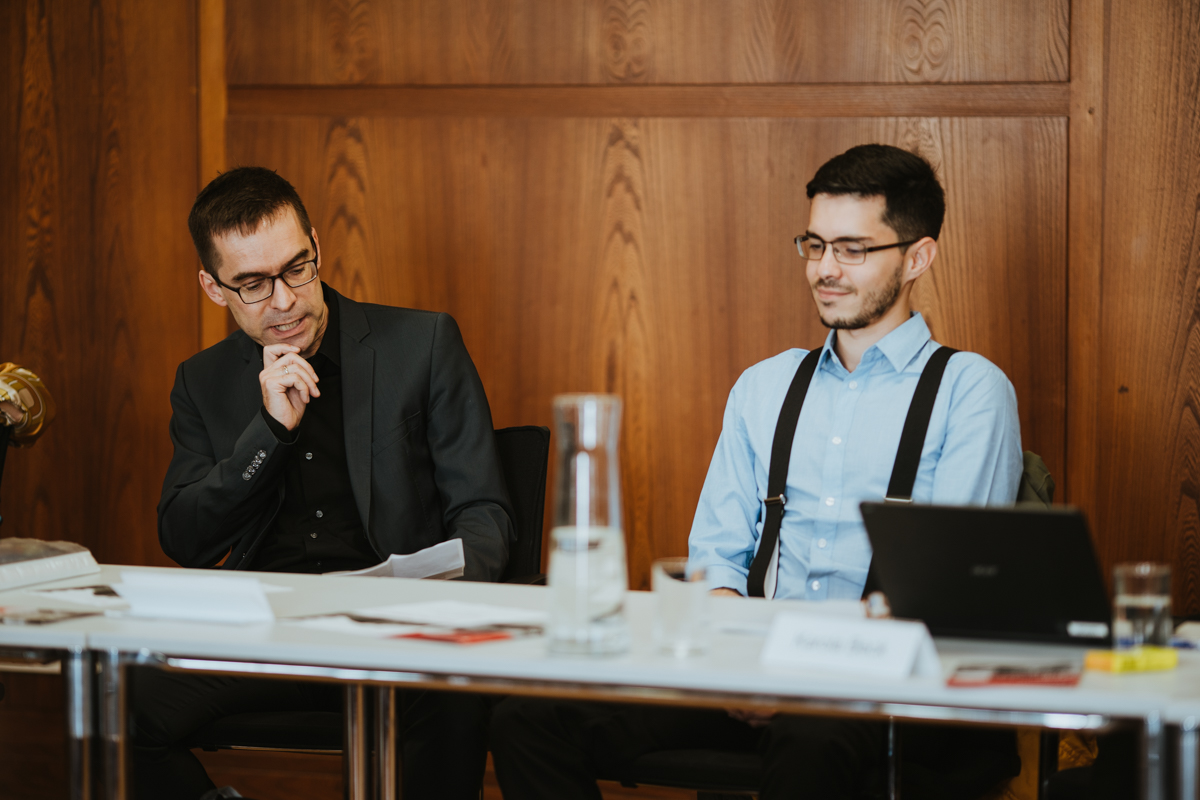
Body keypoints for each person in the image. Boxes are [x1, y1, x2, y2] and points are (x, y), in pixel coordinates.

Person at [490, 144, 1024, 799]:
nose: (825, 270)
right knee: (530, 718)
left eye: (853, 250)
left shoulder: (971, 391)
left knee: (813, 740)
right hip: (751, 671)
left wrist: (803, 678)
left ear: (917, 257)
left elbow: (944, 597)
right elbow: (715, 557)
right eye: (815, 244)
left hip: (891, 690)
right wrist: (735, 666)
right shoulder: (764, 387)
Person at [137, 167, 514, 800]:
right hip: (266, 635)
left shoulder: (420, 344)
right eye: (252, 285)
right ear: (212, 286)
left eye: (296, 268)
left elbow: (485, 512)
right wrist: (269, 433)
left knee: (457, 700)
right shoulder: (200, 382)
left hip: (398, 631)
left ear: (316, 244)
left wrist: (437, 609)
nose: (283, 300)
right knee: (120, 702)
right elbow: (185, 537)